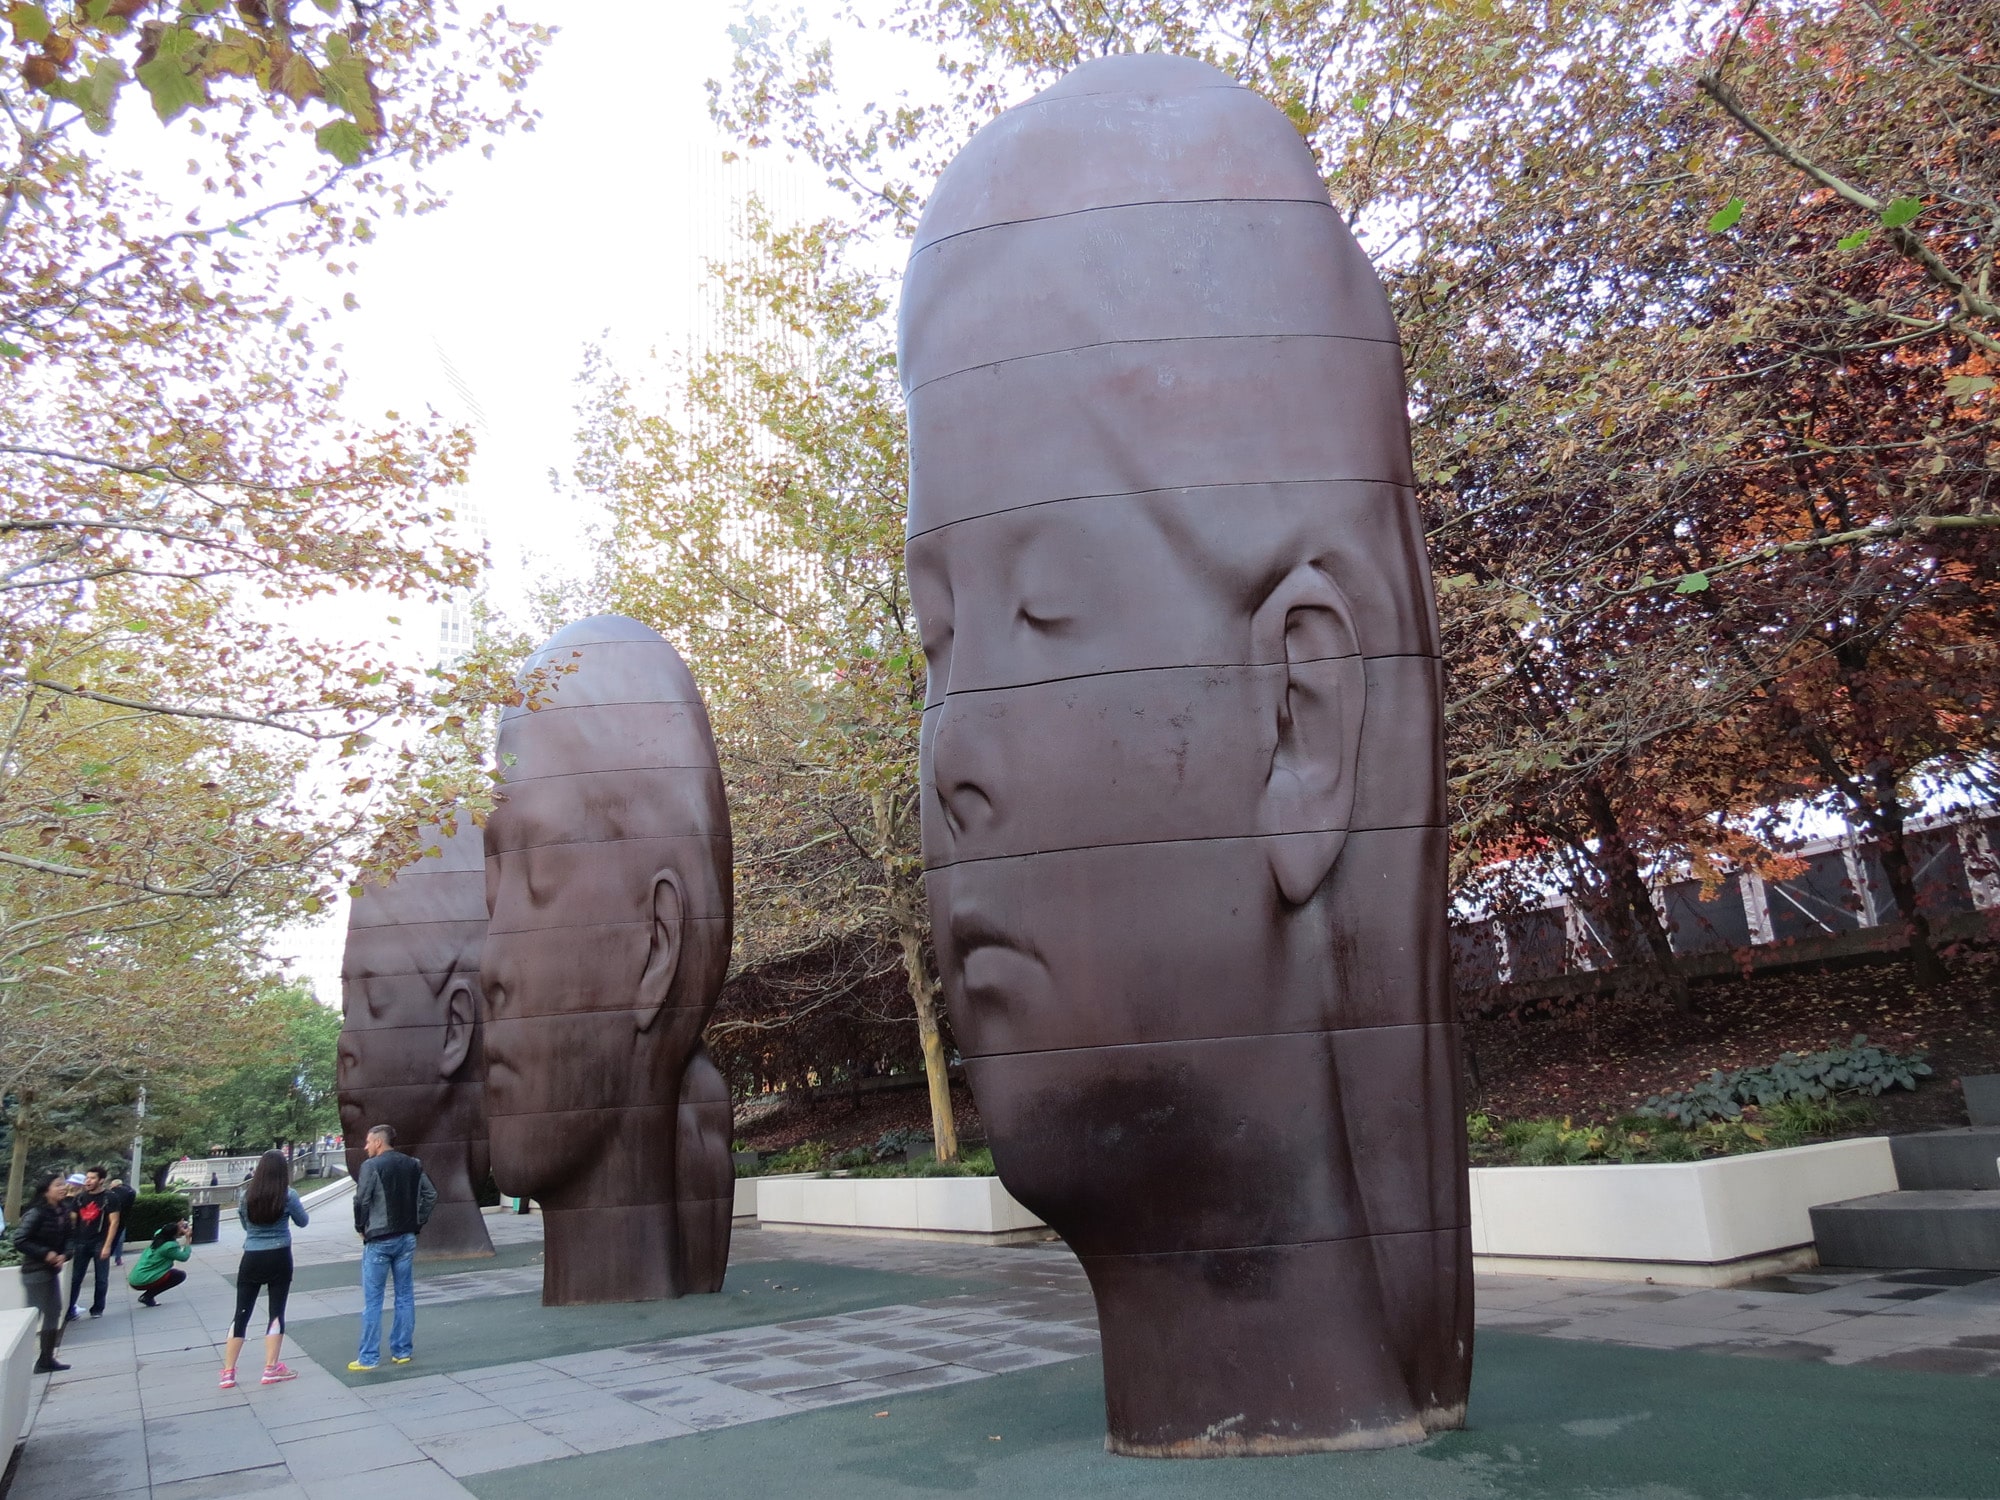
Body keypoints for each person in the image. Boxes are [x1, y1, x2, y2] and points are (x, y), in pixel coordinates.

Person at [218, 1150, 307, 1388]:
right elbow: (303, 1221)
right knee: (276, 1311)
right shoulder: (288, 1195)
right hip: (279, 1255)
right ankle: (270, 1367)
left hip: (252, 1256)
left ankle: (228, 1372)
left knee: (241, 1312)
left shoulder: (247, 1196)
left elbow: (246, 1225)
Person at [349, 1124, 434, 1371]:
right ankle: (402, 1351)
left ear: (378, 1142)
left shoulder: (370, 1167)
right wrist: (418, 1220)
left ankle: (368, 1357)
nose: (365, 1147)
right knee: (405, 1295)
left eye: (367, 1142)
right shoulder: (413, 1164)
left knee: (373, 1301)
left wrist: (360, 1226)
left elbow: (361, 1199)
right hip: (406, 1237)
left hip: (379, 1239)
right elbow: (431, 1195)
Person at [13, 1174, 74, 1373]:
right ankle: (18, 1362)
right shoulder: (36, 1212)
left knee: (53, 1311)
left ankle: (46, 1360)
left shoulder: (62, 1211)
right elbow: (20, 1239)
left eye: (64, 1184)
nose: (63, 1188)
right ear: (46, 1189)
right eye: (58, 1185)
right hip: (35, 1271)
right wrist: (46, 1254)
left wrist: (64, 1255)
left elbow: (70, 1239)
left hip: (51, 1270)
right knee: (33, 1315)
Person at [65, 1167, 118, 1321]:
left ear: (101, 1180)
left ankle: (97, 1308)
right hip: (81, 1242)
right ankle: (70, 1308)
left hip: (100, 1242)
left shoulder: (109, 1197)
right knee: (75, 1278)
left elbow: (114, 1222)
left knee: (101, 1278)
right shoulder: (80, 1198)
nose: (88, 1181)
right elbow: (73, 1220)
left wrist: (107, 1245)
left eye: (92, 1178)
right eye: (87, 1178)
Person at [128, 1222, 192, 1306]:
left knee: (172, 1273)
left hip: (134, 1278)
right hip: (143, 1280)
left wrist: (177, 1226)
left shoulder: (158, 1236)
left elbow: (162, 1230)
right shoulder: (169, 1247)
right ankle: (147, 1296)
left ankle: (147, 1296)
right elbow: (184, 1257)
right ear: (175, 1234)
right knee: (179, 1275)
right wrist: (188, 1239)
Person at [105, 1178, 137, 1265]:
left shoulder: (112, 1194)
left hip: (111, 1220)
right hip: (123, 1220)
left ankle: (108, 1257)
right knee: (120, 1240)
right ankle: (118, 1258)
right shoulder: (130, 1193)